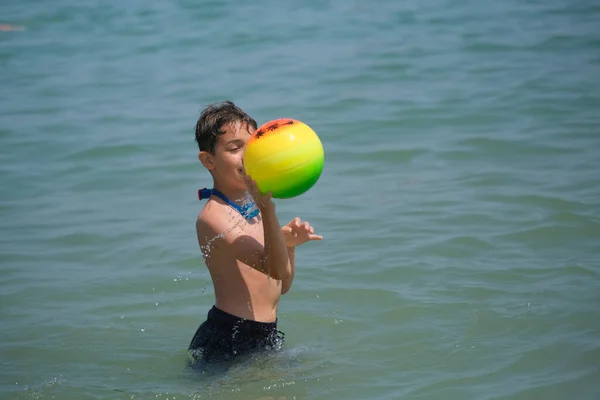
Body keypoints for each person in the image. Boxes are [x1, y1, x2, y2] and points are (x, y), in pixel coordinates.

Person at [188, 101, 322, 367]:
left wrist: (289, 245)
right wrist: (268, 208)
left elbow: (281, 285)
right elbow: (277, 270)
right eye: (235, 148)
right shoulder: (214, 217)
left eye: (251, 148)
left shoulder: (253, 209)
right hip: (232, 336)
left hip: (264, 334)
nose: (246, 156)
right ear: (208, 160)